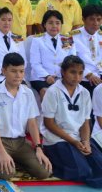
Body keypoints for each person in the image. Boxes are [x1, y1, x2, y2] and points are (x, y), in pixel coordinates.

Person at [0, 52, 51, 180]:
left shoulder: (28, 93)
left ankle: (15, 159)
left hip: (20, 142)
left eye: (21, 71)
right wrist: (1, 152)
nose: (18, 75)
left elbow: (32, 123)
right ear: (3, 71)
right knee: (7, 174)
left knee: (44, 172)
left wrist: (38, 148)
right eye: (13, 71)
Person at [41, 55, 102, 188]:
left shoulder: (85, 93)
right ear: (63, 72)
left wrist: (85, 141)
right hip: (58, 139)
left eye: (80, 73)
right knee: (83, 171)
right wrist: (73, 141)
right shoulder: (53, 92)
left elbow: (86, 122)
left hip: (78, 139)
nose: (77, 77)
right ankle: (52, 160)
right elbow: (49, 123)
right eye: (72, 72)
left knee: (99, 164)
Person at [29, 10, 75, 100]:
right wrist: (47, 76)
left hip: (62, 77)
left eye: (57, 23)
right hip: (40, 77)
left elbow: (72, 61)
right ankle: (47, 114)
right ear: (44, 25)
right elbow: (35, 63)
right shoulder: (37, 40)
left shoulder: (67, 39)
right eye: (50, 23)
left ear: (61, 25)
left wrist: (61, 75)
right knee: (46, 92)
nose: (54, 26)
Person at [72, 4, 102, 96]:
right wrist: (88, 74)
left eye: (99, 19)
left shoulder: (100, 35)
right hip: (83, 78)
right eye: (92, 19)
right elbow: (71, 60)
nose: (96, 23)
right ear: (83, 20)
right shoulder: (72, 37)